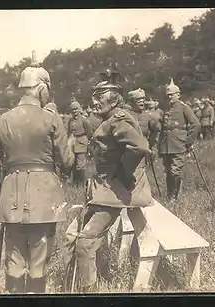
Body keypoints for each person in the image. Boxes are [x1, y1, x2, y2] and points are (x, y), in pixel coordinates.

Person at [0, 53, 74, 294]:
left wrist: (0, 193)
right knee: (40, 255)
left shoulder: (2, 120)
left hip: (11, 194)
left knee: (14, 257)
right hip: (44, 194)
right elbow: (66, 160)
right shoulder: (51, 118)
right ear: (41, 89)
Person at [64, 70, 151, 292]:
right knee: (72, 235)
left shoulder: (117, 120)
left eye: (99, 97)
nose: (94, 102)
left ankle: (89, 291)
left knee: (84, 242)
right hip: (104, 190)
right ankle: (71, 284)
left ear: (112, 99)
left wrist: (122, 172)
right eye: (94, 97)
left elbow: (139, 147)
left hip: (114, 192)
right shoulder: (110, 119)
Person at [149, 78, 200, 202]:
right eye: (168, 95)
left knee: (175, 171)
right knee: (168, 171)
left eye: (172, 95)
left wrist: (188, 141)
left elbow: (196, 124)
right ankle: (170, 195)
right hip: (166, 144)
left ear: (178, 95)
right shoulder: (165, 108)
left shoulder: (184, 108)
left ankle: (173, 198)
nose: (169, 97)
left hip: (179, 144)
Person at [67, 100, 93, 186]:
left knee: (80, 165)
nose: (74, 111)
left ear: (79, 109)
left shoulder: (84, 120)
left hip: (82, 142)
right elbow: (69, 131)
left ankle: (82, 184)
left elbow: (89, 132)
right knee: (73, 164)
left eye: (76, 109)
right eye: (73, 110)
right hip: (73, 143)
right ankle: (75, 182)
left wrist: (88, 142)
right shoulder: (70, 120)